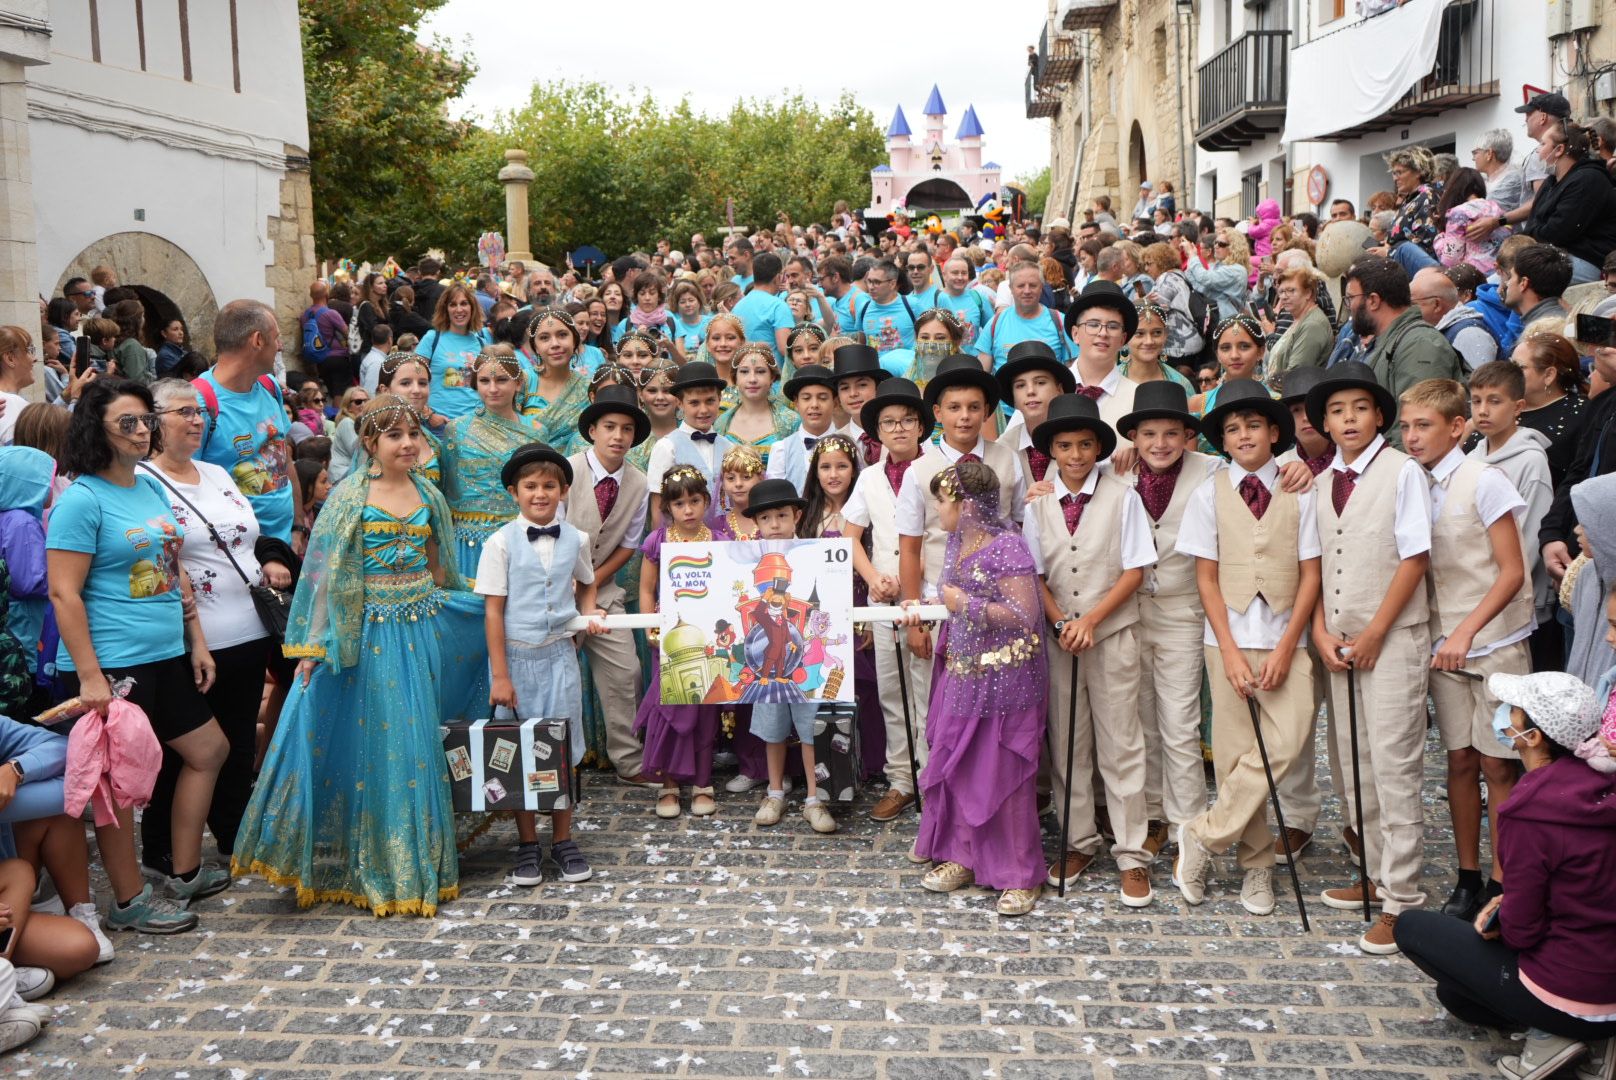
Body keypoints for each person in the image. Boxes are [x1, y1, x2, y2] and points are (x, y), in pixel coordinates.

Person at [232, 395, 487, 916]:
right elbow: (321, 579)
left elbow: (440, 571)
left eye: (413, 433)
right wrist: (312, 646)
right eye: (394, 436)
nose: (408, 444)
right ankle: (362, 859)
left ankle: (412, 864)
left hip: (417, 630)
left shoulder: (430, 495)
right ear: (370, 443)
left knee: (414, 741)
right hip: (364, 634)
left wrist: (475, 610)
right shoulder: (349, 497)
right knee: (371, 741)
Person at [46, 379, 228, 934]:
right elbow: (63, 592)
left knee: (209, 748)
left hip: (164, 652)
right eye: (127, 422)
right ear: (95, 430)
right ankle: (128, 900)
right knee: (118, 785)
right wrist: (89, 676)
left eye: (145, 418)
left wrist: (195, 640)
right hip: (114, 662)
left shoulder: (148, 489)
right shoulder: (82, 498)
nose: (143, 428)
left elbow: (174, 573)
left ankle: (184, 869)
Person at [1395, 671, 1616, 1078]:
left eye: (1512, 711)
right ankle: (1587, 1034)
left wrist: (1498, 916)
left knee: (1411, 928)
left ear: (1532, 735)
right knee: (1456, 994)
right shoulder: (1602, 785)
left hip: (1573, 987)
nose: (1504, 717)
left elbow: (1522, 931)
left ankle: (1557, 1035)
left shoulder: (1532, 809)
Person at [1172, 378, 1319, 916]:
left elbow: (1310, 575)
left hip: (1286, 637)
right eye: (1232, 430)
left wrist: (1286, 647)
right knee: (1236, 755)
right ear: (1223, 441)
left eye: (1253, 425)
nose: (1243, 435)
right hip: (1227, 639)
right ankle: (1257, 868)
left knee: (1288, 740)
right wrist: (1230, 652)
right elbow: (1205, 579)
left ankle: (1205, 834)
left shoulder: (1301, 488)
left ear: (1273, 431)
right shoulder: (1208, 493)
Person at [1305, 360, 1434, 955]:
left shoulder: (1401, 472)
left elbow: (1414, 558)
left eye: (1359, 408)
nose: (1349, 419)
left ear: (1380, 416)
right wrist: (1320, 631)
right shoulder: (1321, 481)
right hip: (1341, 642)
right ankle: (1375, 873)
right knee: (1352, 761)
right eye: (1336, 410)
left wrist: (1379, 630)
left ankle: (1402, 901)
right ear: (1324, 423)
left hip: (1393, 637)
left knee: (1394, 763)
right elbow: (1314, 566)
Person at [139, 378, 290, 882]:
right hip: (190, 639)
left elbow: (250, 536)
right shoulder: (144, 482)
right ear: (154, 420)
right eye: (184, 411)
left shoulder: (217, 472)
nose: (197, 420)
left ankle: (233, 833)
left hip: (249, 628)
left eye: (201, 412)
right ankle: (161, 848)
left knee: (238, 741)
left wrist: (272, 559)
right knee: (182, 748)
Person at [1399, 378, 1533, 922]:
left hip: (1494, 643)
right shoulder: (1411, 482)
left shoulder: (1484, 480)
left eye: (1423, 425)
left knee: (1499, 766)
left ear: (1457, 427)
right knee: (1458, 760)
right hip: (1441, 645)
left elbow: (1511, 571)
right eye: (1405, 426)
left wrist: (1467, 632)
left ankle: (1501, 880)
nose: (1411, 436)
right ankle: (1466, 875)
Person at [1025, 393, 1157, 906]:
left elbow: (1135, 569)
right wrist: (1061, 623)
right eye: (1065, 446)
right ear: (1051, 451)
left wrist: (1092, 621)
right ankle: (1078, 839)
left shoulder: (1124, 496)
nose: (1076, 455)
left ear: (1099, 448)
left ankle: (1131, 852)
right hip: (1060, 638)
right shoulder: (1037, 505)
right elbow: (1035, 574)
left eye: (1084, 445)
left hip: (1113, 632)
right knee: (1067, 740)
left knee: (1121, 741)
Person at [904, 458, 1048, 916]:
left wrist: (963, 602)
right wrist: (926, 607)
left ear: (966, 505)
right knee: (959, 765)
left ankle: (1020, 875)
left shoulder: (1009, 547)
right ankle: (963, 856)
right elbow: (950, 600)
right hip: (963, 672)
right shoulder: (954, 542)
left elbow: (1024, 615)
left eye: (943, 502)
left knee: (1002, 774)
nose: (938, 511)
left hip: (1007, 681)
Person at [478, 444, 606, 887]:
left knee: (561, 749)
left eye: (549, 485)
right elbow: (493, 611)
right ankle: (528, 842)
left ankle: (563, 840)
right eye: (530, 486)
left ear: (563, 490)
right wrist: (500, 676)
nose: (539, 494)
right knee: (518, 752)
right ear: (514, 492)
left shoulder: (576, 539)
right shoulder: (500, 542)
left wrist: (589, 617)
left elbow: (587, 584)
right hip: (516, 658)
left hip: (559, 657)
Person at [1120, 382, 1220, 857]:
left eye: (1171, 434)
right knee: (1141, 718)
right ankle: (1154, 813)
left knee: (1180, 721)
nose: (1160, 444)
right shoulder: (1116, 474)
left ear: (1188, 437)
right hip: (1131, 612)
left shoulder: (1212, 471)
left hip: (1183, 610)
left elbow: (1266, 470)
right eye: (1149, 434)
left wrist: (1296, 467)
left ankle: (1188, 824)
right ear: (1134, 439)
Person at [899, 355, 1024, 702]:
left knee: (992, 699)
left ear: (987, 412)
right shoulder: (919, 470)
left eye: (973, 407)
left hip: (997, 606)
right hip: (938, 605)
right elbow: (909, 547)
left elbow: (1020, 530)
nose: (964, 416)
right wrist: (915, 619)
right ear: (938, 413)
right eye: (954, 407)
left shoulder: (1007, 460)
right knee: (934, 700)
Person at [844, 377, 935, 822]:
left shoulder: (937, 469)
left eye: (906, 421)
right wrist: (873, 577)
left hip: (927, 597)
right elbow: (852, 537)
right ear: (877, 432)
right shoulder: (869, 478)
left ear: (921, 426)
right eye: (889, 423)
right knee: (892, 691)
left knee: (927, 689)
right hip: (883, 600)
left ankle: (931, 776)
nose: (898, 430)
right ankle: (901, 778)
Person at [738, 478, 837, 835]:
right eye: (767, 518)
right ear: (756, 523)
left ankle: (815, 797)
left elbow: (827, 600)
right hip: (766, 658)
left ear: (796, 514)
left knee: (811, 726)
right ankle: (775, 791)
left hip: (803, 657)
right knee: (772, 726)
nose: (775, 524)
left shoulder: (814, 553)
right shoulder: (744, 559)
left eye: (782, 515)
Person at [565, 385, 653, 786]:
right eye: (610, 427)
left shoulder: (638, 483)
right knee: (553, 677)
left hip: (602, 590)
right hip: (552, 592)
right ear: (593, 431)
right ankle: (552, 762)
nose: (618, 436)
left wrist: (591, 584)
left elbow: (629, 545)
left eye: (627, 429)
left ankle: (630, 761)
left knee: (627, 672)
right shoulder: (566, 472)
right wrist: (571, 590)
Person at [636, 466, 725, 819]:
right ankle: (669, 784)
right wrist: (648, 628)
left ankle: (703, 783)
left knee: (705, 710)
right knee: (669, 709)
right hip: (669, 638)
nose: (687, 510)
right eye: (679, 503)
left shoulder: (719, 541)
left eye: (694, 501)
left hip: (707, 639)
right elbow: (645, 588)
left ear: (706, 501)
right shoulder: (659, 541)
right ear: (667, 508)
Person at [194, 301, 303, 549]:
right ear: (257, 340)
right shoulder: (198, 403)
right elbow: (183, 486)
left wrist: (298, 527)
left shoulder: (268, 385)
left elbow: (284, 456)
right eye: (276, 338)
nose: (280, 346)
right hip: (233, 553)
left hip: (284, 544)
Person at [437, 346, 540, 580]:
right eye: (484, 380)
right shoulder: (457, 430)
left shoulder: (536, 432)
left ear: (518, 382)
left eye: (501, 380)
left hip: (520, 539)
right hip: (468, 542)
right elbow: (447, 493)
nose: (492, 389)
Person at [1344, 256, 1464, 448]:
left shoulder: (1420, 345)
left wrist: (1387, 475)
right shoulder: (1392, 340)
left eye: (1350, 298)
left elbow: (1418, 434)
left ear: (1373, 300)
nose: (1349, 307)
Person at [1524, 119, 1616, 285]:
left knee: (1523, 277)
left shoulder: (1589, 179)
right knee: (1501, 274)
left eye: (1543, 144)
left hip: (1588, 261)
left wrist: (1535, 231)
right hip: (1555, 255)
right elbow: (1532, 224)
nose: (1538, 152)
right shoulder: (1551, 182)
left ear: (1559, 149)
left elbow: (1557, 233)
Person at [645, 361, 735, 522]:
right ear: (680, 404)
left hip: (725, 540)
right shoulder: (667, 447)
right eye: (694, 403)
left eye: (710, 401)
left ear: (719, 399)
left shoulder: (729, 448)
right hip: (682, 543)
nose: (703, 410)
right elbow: (658, 506)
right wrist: (661, 546)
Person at [996, 341, 1078, 486]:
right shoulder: (1002, 448)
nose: (1030, 391)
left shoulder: (1080, 440)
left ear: (1059, 389)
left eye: (1040, 382)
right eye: (1020, 385)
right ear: (1013, 397)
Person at [1513, 331, 1586, 490]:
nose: (1508, 373)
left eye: (1519, 367)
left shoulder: (1582, 415)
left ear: (1548, 375)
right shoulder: (1502, 404)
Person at [415, 281, 492, 422]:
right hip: (440, 425)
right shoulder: (432, 339)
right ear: (445, 309)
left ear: (472, 307)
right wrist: (429, 415)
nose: (459, 309)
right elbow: (413, 382)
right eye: (453, 304)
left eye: (463, 303)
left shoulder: (482, 343)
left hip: (475, 424)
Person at [715, 343, 798, 467]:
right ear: (735, 377)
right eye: (744, 371)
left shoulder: (791, 422)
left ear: (772, 377)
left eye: (760, 371)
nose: (752, 379)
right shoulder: (721, 423)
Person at [521, 308, 590, 455]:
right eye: (544, 338)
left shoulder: (588, 389)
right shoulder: (523, 381)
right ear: (536, 347)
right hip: (526, 471)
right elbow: (506, 432)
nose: (555, 344)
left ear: (575, 340)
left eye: (562, 335)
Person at [763, 363, 837, 490]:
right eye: (806, 398)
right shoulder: (782, 450)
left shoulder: (850, 443)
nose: (814, 405)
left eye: (823, 398)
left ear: (835, 402)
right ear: (796, 403)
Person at [1410, 268, 1497, 374]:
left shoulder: (1470, 335)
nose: (1408, 310)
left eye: (1413, 304)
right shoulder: (1452, 329)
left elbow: (1482, 386)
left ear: (1436, 304)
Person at [1264, 266, 1333, 383]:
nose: (1284, 297)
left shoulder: (1313, 325)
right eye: (1281, 291)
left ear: (1308, 293)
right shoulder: (1299, 318)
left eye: (1291, 290)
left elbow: (1294, 376)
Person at [830, 343, 889, 464]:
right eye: (845, 388)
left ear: (878, 388)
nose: (853, 394)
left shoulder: (902, 431)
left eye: (862, 385)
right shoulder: (834, 442)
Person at [732, 254, 794, 363]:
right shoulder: (778, 306)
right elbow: (785, 349)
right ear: (778, 277)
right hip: (773, 376)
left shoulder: (737, 307)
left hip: (744, 373)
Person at [1505, 244, 1574, 341]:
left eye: (1510, 277)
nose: (1507, 283)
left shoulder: (1540, 338)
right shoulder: (1572, 322)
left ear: (1523, 283)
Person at [851, 261, 920, 357]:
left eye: (877, 282)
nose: (871, 287)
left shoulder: (912, 305)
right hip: (876, 370)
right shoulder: (863, 308)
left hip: (906, 370)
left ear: (892, 284)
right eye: (869, 281)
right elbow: (861, 343)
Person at [1471, 128, 1526, 213]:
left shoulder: (1512, 180)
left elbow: (1489, 213)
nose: (1473, 158)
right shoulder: (1487, 180)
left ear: (1489, 153)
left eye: (1475, 153)